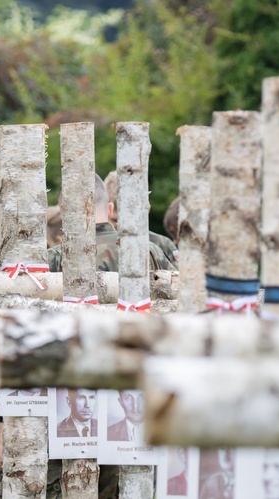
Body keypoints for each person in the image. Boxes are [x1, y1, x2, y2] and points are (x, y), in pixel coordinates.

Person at [47, 173, 172, 498]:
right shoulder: (149, 252)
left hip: (73, 397)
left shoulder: (57, 260)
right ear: (110, 206)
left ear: (64, 210)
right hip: (136, 394)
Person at [103, 170, 179, 268]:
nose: (120, 226)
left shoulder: (163, 245)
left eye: (127, 220)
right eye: (115, 220)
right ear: (107, 211)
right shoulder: (95, 245)